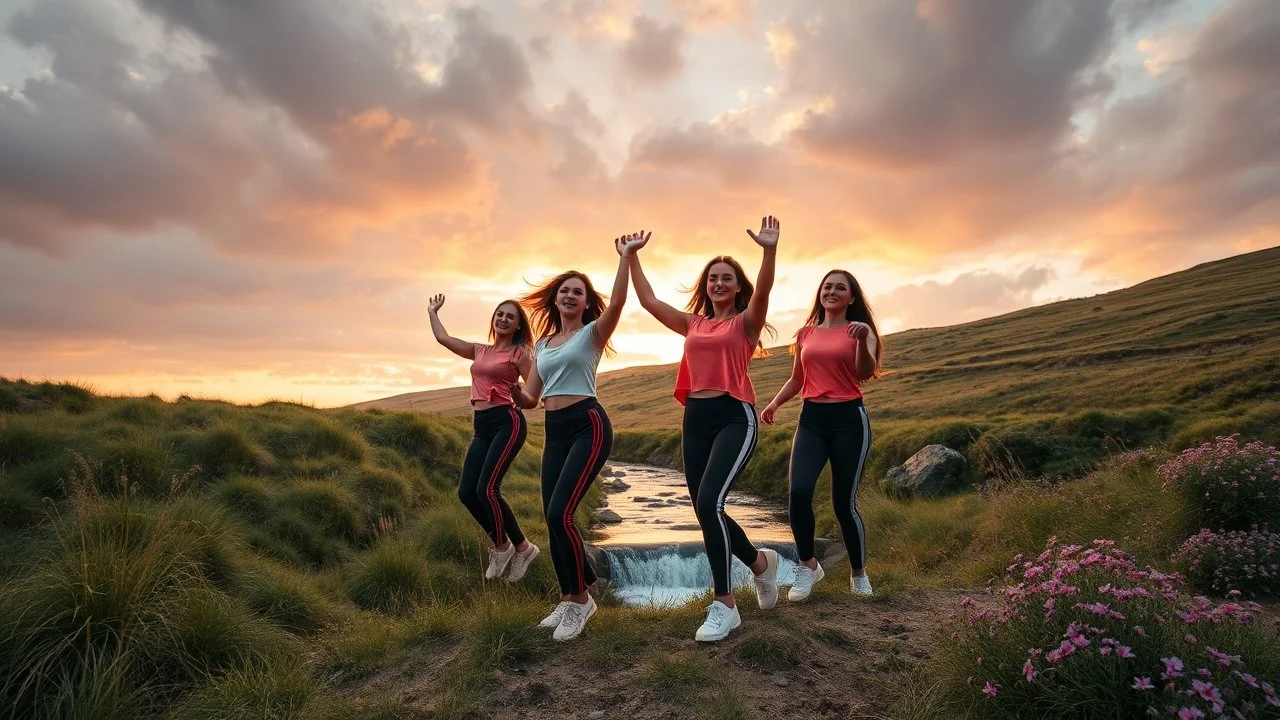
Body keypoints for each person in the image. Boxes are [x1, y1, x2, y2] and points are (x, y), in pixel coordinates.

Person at [627, 216, 782, 642]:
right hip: (694, 419)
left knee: (710, 501)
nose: (717, 283)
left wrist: (768, 250)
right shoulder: (693, 323)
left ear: (737, 287)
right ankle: (760, 564)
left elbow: (765, 290)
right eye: (712, 278)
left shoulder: (746, 323)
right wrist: (631, 257)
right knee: (704, 507)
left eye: (726, 278)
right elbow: (649, 301)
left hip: (735, 416)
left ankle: (724, 604)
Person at [511, 231, 649, 641]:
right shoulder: (545, 343)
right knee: (553, 520)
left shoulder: (592, 334)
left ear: (587, 302)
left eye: (579, 292)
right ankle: (569, 597)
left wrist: (625, 257)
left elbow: (620, 302)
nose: (571, 296)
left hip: (588, 424)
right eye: (565, 291)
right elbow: (531, 397)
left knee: (560, 514)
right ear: (556, 298)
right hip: (555, 431)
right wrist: (507, 386)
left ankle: (582, 600)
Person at [761, 269, 883, 599]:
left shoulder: (862, 330)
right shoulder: (805, 334)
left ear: (851, 297)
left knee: (843, 504)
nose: (831, 291)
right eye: (827, 286)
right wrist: (774, 403)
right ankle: (808, 566)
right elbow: (797, 379)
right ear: (820, 293)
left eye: (839, 288)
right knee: (798, 493)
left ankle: (858, 574)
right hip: (811, 419)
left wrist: (859, 341)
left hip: (849, 420)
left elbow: (865, 372)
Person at [428, 295, 540, 582]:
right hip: (482, 426)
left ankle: (504, 546)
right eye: (499, 314)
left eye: (509, 317)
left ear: (517, 325)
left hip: (508, 421)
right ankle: (518, 547)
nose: (502, 319)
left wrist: (517, 393)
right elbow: (444, 338)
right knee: (467, 492)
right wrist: (432, 312)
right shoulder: (481, 350)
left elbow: (532, 399)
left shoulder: (521, 354)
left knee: (488, 489)